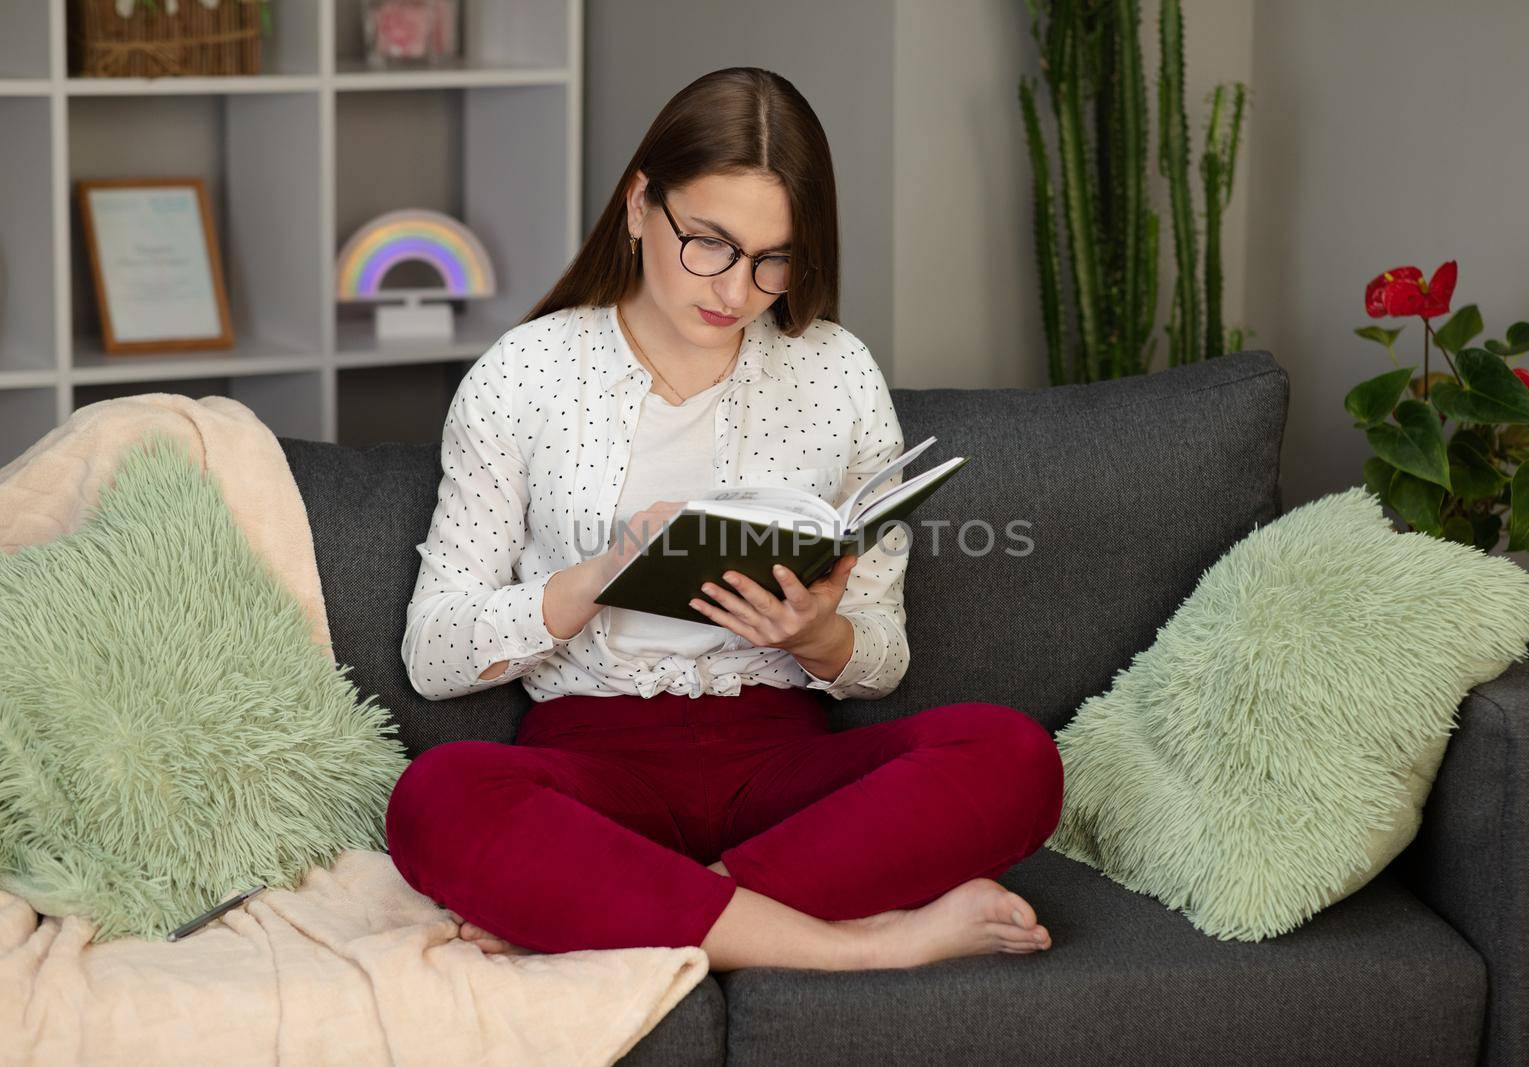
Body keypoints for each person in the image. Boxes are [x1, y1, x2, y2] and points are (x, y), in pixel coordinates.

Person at [385, 67, 1064, 972]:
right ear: (639, 206)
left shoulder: (836, 370)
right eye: (709, 243)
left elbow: (882, 656)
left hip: (782, 762)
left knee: (1013, 757)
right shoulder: (524, 374)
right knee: (436, 797)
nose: (738, 289)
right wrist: (597, 577)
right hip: (594, 761)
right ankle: (859, 945)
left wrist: (820, 635)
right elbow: (433, 653)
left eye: (773, 259)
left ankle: (614, 907)